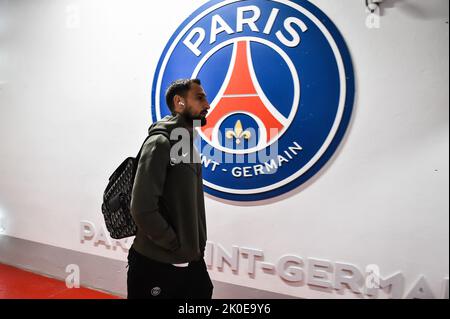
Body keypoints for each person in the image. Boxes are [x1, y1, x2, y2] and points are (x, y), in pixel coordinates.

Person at [127, 79, 213, 299]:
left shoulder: (187, 145)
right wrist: (175, 244)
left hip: (191, 262)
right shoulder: (159, 143)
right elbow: (142, 208)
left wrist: (194, 247)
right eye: (200, 97)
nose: (208, 104)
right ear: (179, 102)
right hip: (156, 264)